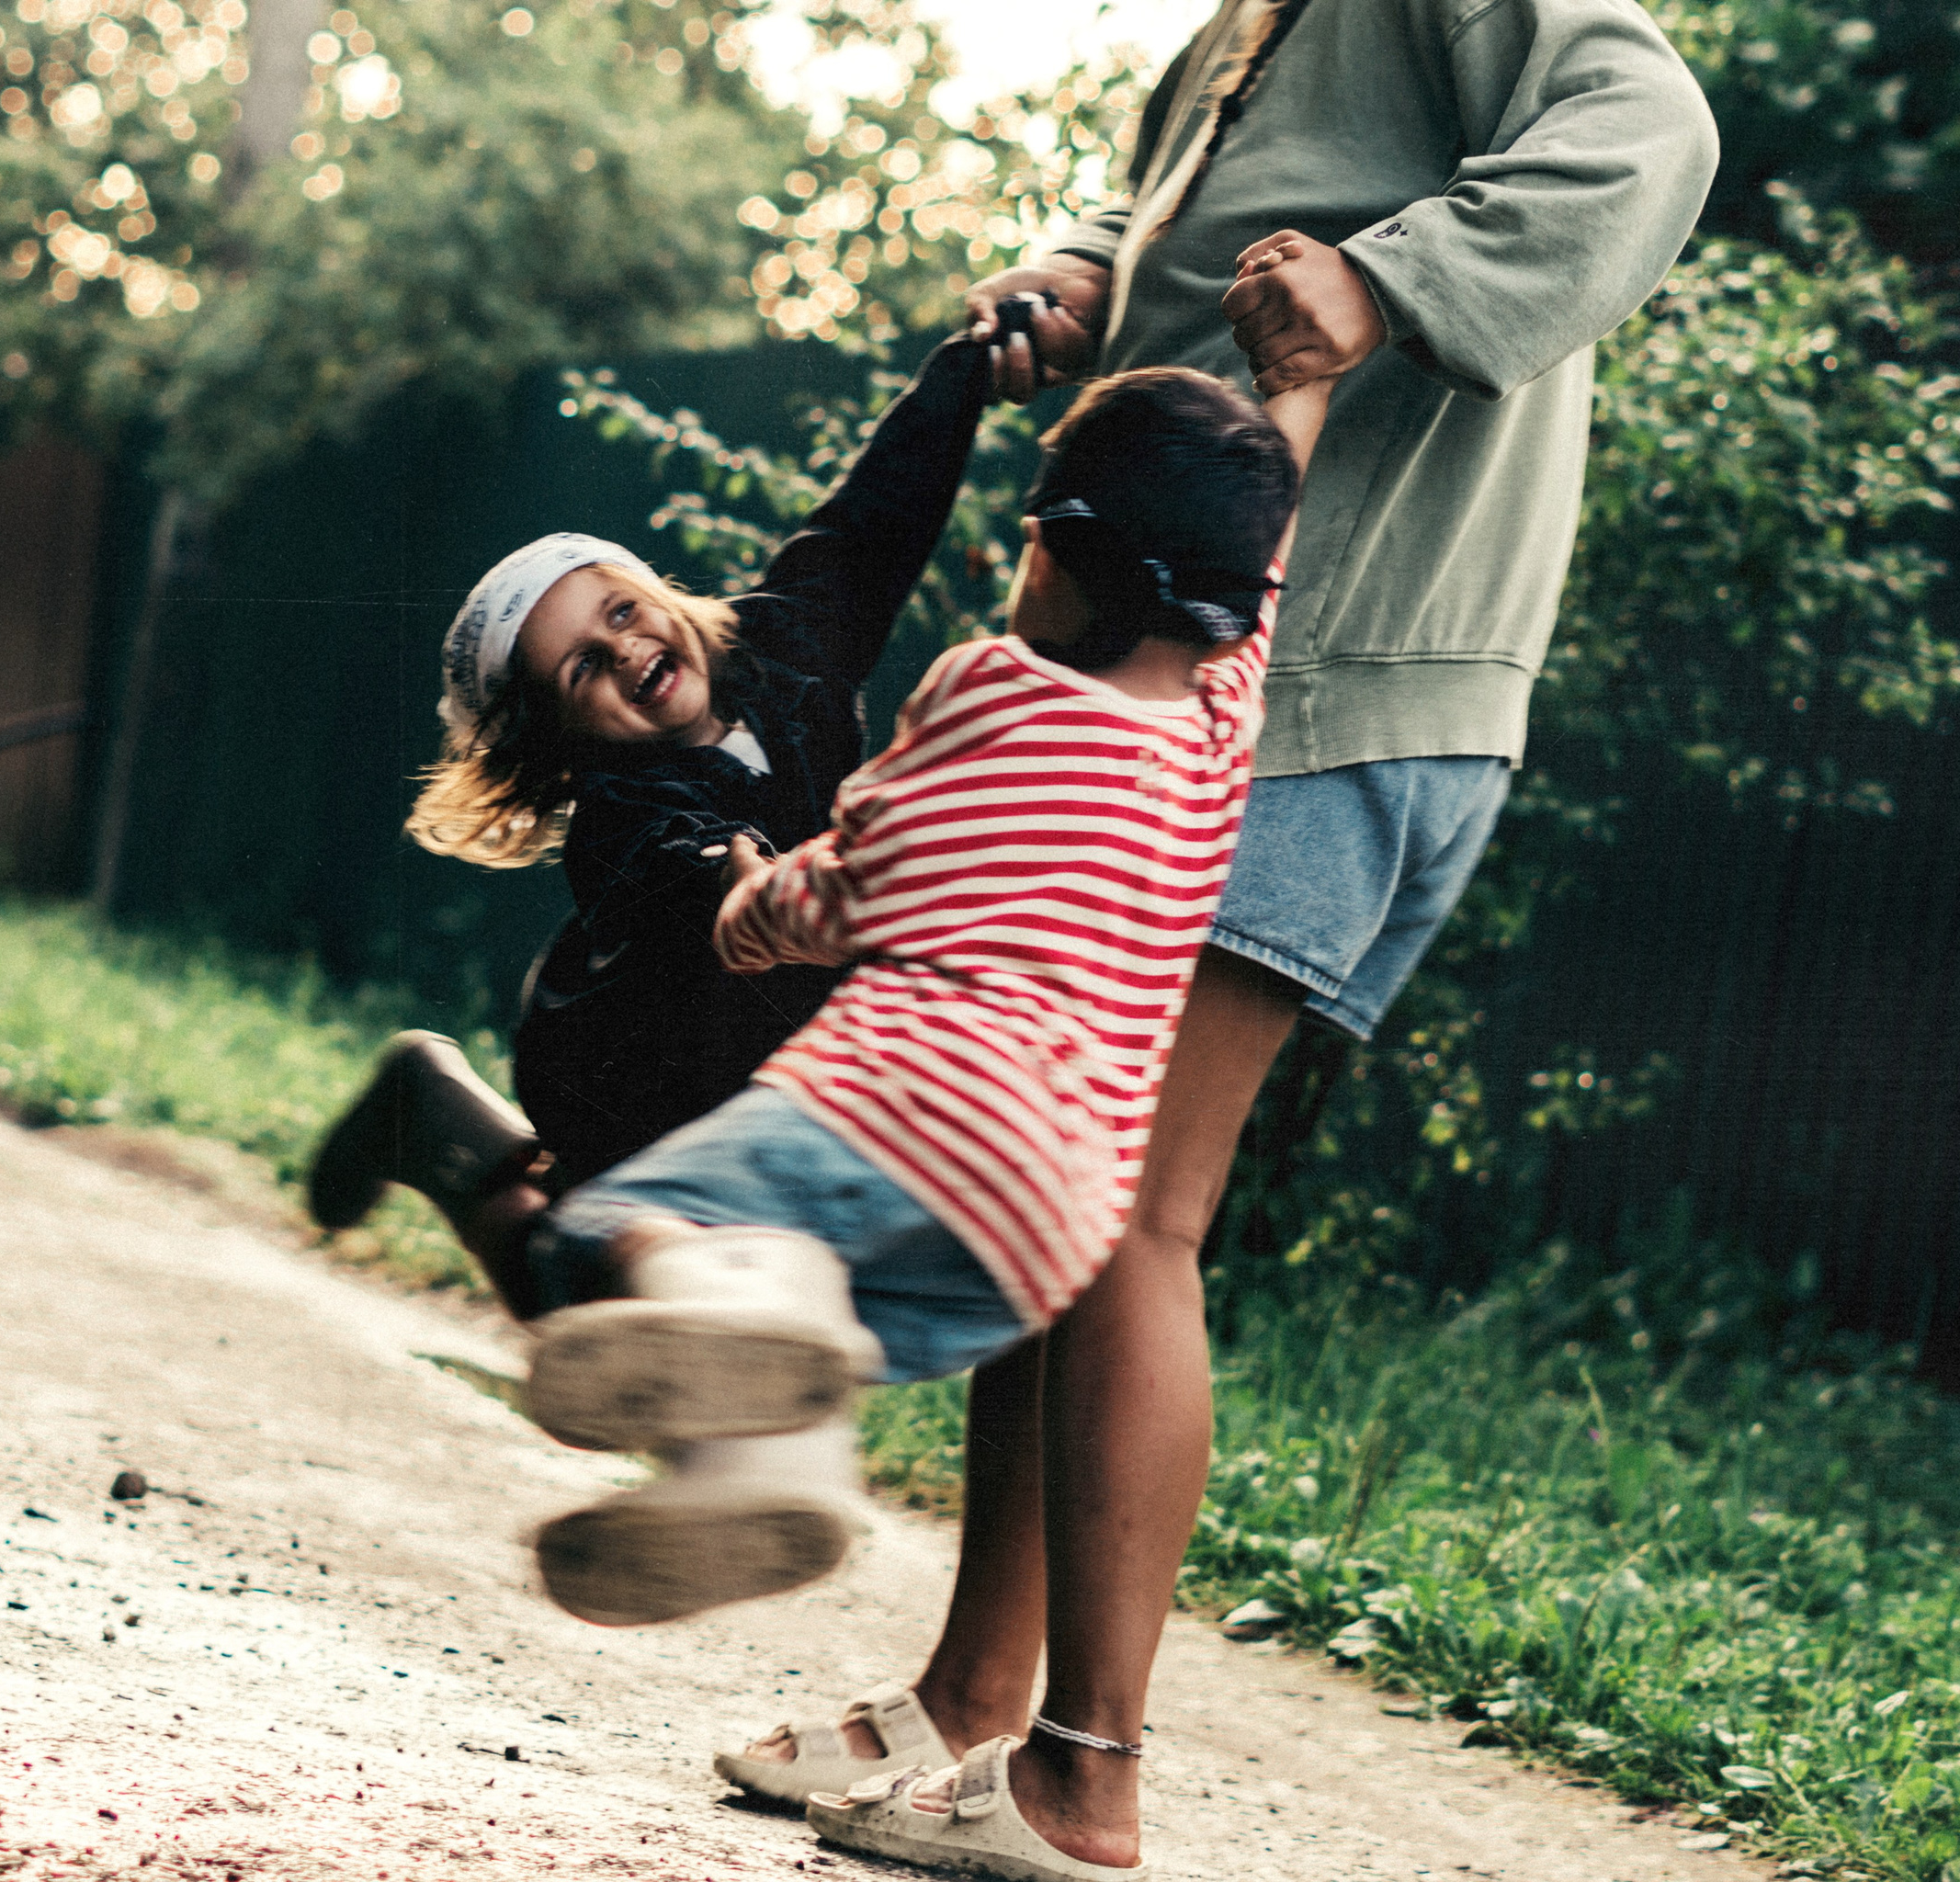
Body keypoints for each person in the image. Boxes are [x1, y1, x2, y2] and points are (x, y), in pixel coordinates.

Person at [722, 1, 1718, 1872]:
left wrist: (1388, 281)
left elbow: (1648, 122)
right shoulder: (1236, 33)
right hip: (1233, 701)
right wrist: (1081, 279)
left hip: (1324, 690)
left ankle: (1082, 1773)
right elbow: (1186, 232)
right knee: (1054, 1184)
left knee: (1124, 1219)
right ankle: (972, 1709)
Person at [521, 367, 1320, 1882]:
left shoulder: (985, 694)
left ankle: (783, 1466)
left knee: (612, 1231)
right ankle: (753, 1444)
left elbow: (843, 884)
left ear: (1063, 559)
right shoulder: (1220, 737)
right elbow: (1257, 575)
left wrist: (755, 914)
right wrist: (1300, 404)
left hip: (908, 1109)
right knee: (793, 1309)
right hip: (1049, 1228)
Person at [302, 328, 1001, 1312]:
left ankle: (444, 1122)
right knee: (592, 1302)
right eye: (582, 665)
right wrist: (747, 877)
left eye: (622, 611)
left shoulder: (781, 647)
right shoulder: (623, 814)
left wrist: (970, 367)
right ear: (557, 739)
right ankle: (435, 1119)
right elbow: (693, 866)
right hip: (631, 1071)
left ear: (659, 590)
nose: (624, 649)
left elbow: (873, 521)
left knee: (739, 1299)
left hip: (771, 1045)